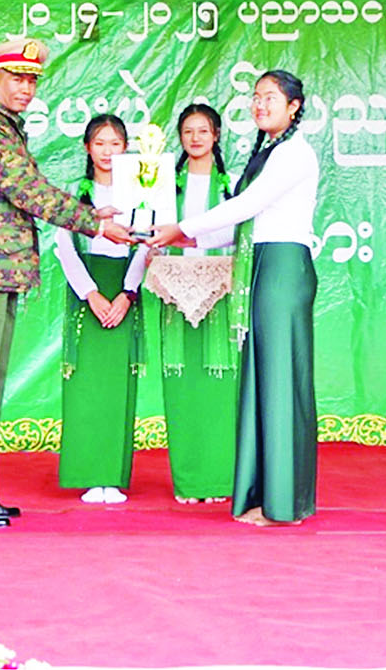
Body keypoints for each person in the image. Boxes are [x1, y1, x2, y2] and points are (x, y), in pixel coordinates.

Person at [0, 37, 132, 530]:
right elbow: (28, 191)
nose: (26, 88)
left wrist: (91, 219)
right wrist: (92, 221)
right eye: (16, 78)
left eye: (31, 80)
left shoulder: (4, 127)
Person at [148, 71, 319, 525]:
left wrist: (183, 228)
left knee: (279, 382)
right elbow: (245, 223)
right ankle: (268, 497)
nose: (260, 105)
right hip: (261, 263)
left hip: (283, 268)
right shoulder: (270, 152)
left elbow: (247, 206)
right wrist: (187, 239)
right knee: (264, 379)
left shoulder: (294, 153)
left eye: (271, 98)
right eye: (256, 97)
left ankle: (283, 504)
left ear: (294, 106)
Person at [54, 115, 147, 504]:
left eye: (115, 143)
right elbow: (64, 248)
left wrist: (127, 293)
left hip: (124, 292)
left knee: (117, 386)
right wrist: (91, 295)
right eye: (100, 143)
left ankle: (113, 475)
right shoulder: (76, 195)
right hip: (88, 295)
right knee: (86, 386)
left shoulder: (142, 193)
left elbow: (147, 244)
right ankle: (89, 474)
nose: (108, 151)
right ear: (87, 148)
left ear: (125, 148)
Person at [155, 103, 238, 504]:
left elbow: (240, 232)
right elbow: (152, 228)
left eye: (203, 130)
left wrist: (195, 241)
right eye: (188, 131)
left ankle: (220, 480)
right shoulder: (164, 184)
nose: (195, 138)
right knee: (182, 385)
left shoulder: (232, 184)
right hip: (175, 292)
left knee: (219, 384)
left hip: (220, 293)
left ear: (216, 135)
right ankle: (188, 482)